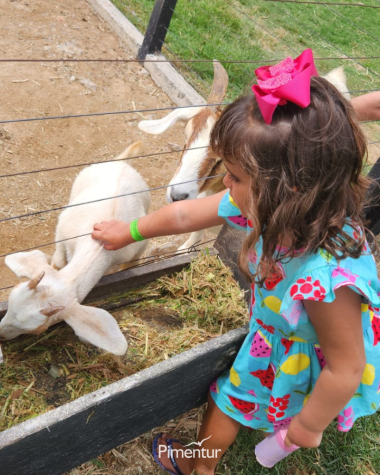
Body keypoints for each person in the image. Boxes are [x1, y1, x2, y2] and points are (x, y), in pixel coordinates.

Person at [92, 49, 380, 475]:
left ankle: (199, 466)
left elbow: (347, 366)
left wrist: (307, 426)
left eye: (235, 176)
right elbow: (186, 213)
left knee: (228, 401)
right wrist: (131, 231)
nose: (225, 183)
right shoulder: (268, 203)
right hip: (283, 328)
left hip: (299, 354)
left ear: (290, 187)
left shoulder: (326, 281)